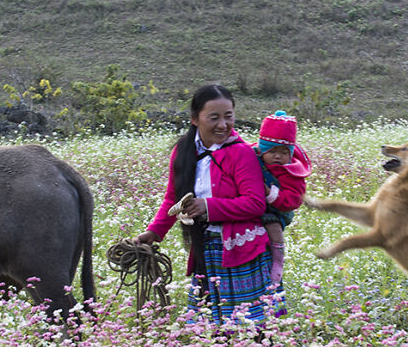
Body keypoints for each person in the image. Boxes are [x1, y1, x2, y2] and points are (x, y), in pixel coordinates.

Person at [134, 84, 283, 325]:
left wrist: (208, 207)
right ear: (195, 119)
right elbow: (173, 199)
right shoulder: (183, 152)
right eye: (214, 118)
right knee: (210, 330)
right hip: (206, 249)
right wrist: (154, 232)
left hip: (241, 250)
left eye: (229, 116)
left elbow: (255, 203)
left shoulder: (241, 153)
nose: (223, 125)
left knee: (250, 328)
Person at [252, 111, 312, 284]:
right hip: (255, 207)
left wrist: (268, 192)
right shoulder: (254, 158)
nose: (278, 156)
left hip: (278, 210)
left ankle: (278, 262)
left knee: (273, 227)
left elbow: (294, 199)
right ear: (262, 149)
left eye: (284, 152)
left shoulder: (292, 172)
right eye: (272, 151)